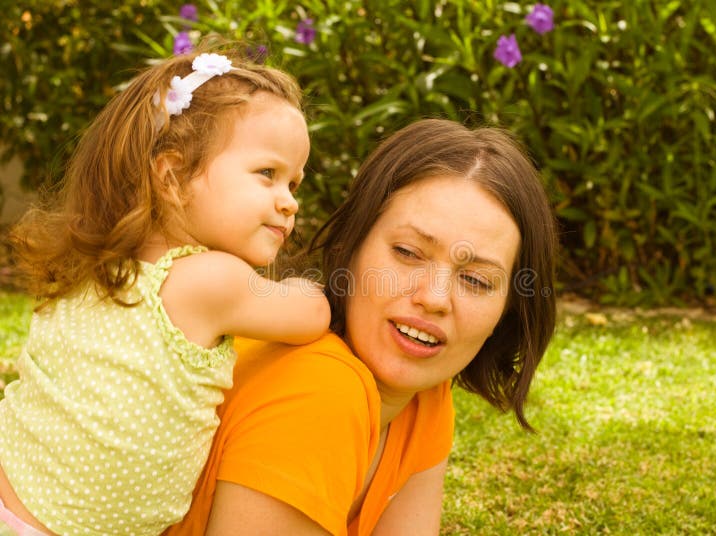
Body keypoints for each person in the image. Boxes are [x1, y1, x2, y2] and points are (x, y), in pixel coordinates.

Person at [166, 118, 558, 535]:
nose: (434, 298)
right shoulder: (321, 389)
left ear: (507, 311)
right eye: (407, 252)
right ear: (349, 246)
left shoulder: (424, 396)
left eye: (476, 280)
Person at [0, 49, 331, 536]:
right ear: (172, 177)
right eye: (268, 174)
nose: (290, 202)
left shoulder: (98, 268)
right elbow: (313, 314)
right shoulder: (211, 280)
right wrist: (305, 286)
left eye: (294, 183)